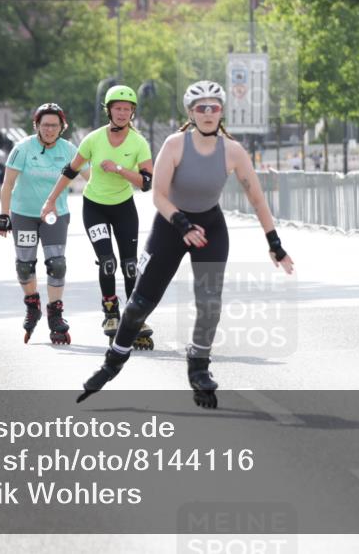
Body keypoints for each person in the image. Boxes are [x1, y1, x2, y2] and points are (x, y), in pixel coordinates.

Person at [76, 81, 295, 409]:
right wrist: (181, 224)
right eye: (200, 108)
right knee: (139, 305)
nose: (208, 113)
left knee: (210, 303)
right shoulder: (175, 144)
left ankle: (199, 368)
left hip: (210, 228)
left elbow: (257, 198)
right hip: (170, 226)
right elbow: (159, 194)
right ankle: (113, 361)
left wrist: (274, 243)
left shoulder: (232, 150)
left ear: (222, 111)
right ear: (191, 113)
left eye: (214, 107)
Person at [41, 85, 155, 347]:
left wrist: (119, 170)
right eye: (118, 108)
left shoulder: (139, 143)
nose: (123, 113)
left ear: (133, 112)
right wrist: (50, 201)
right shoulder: (93, 139)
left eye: (127, 109)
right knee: (107, 261)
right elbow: (70, 171)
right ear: (109, 111)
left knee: (129, 264)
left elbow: (146, 182)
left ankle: (135, 315)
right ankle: (111, 313)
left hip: (124, 207)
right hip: (95, 207)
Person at [0, 104, 86, 345]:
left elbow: (92, 177)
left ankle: (55, 315)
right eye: (45, 125)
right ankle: (32, 304)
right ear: (36, 125)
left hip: (55, 214)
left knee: (57, 264)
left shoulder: (69, 149)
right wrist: (4, 215)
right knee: (25, 266)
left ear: (62, 127)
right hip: (24, 214)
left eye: (54, 125)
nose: (49, 130)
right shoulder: (23, 148)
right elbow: (7, 184)